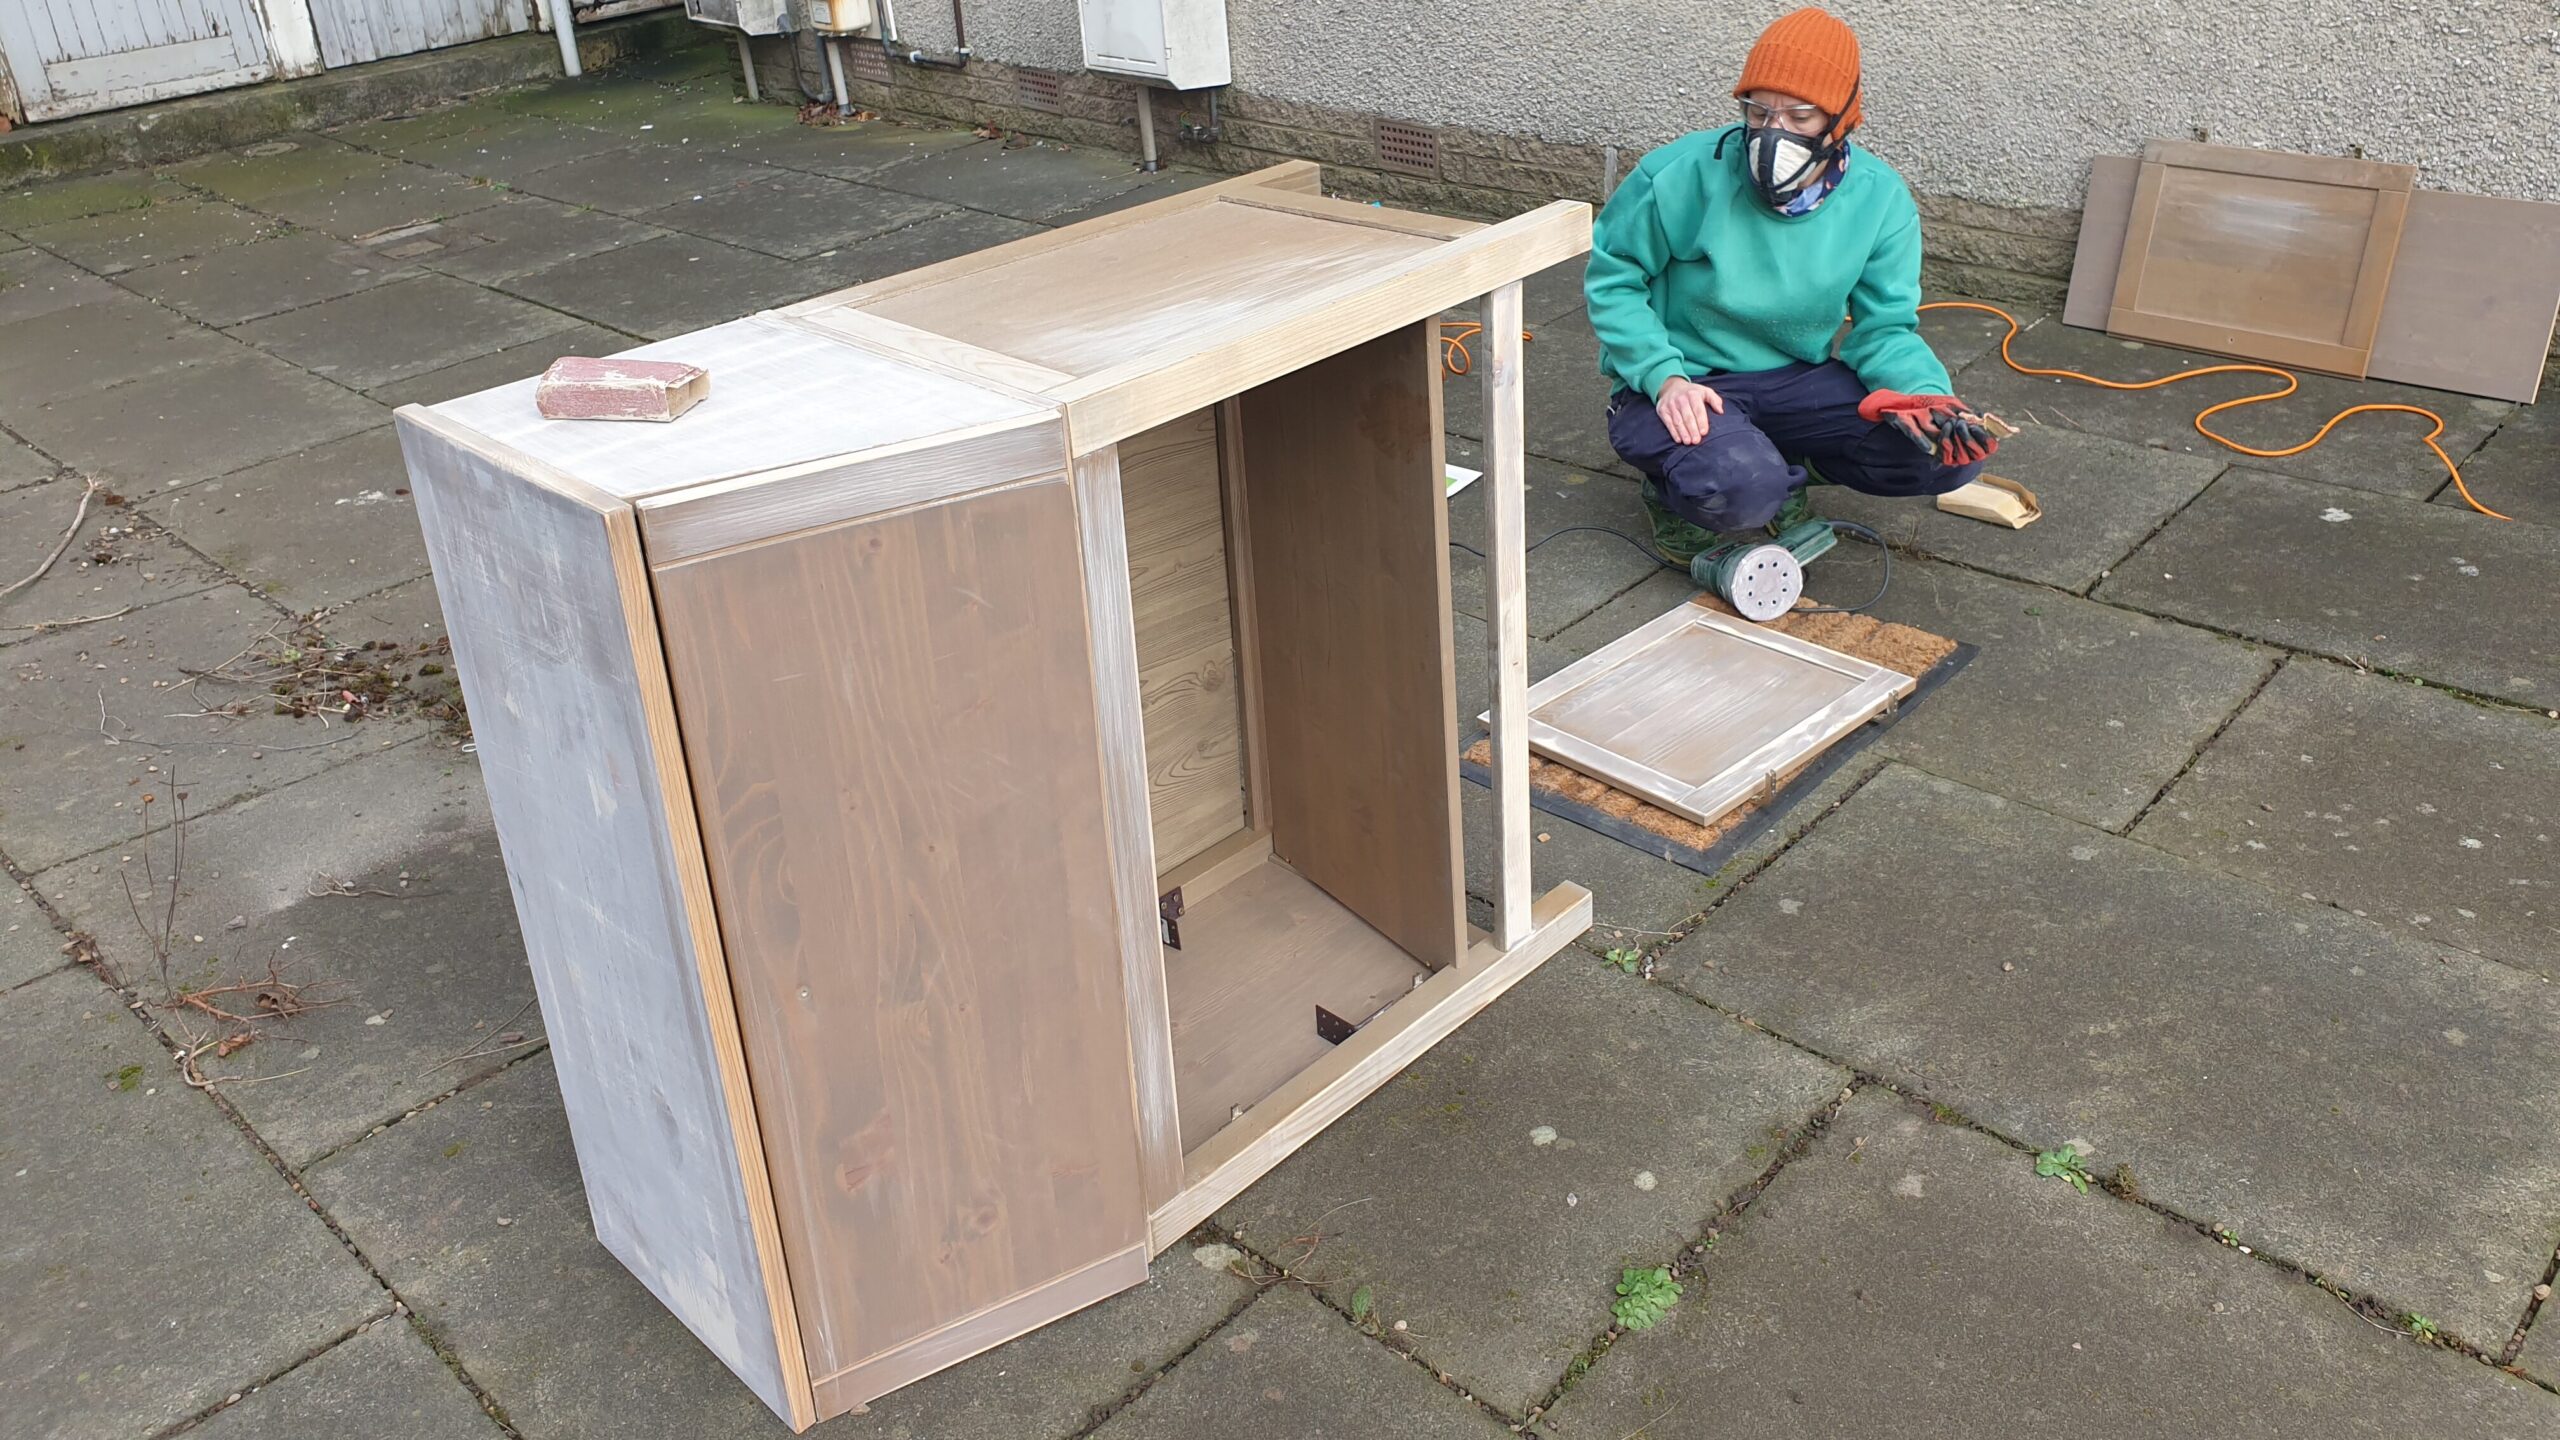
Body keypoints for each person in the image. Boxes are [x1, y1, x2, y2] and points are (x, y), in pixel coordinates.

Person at [1585, 6, 2000, 563]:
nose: (1773, 133)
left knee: (1942, 452)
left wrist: (1925, 392)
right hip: (1688, 379)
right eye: (1758, 112)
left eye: (1801, 116)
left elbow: (1886, 329)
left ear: (1844, 119)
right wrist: (1662, 379)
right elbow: (1613, 281)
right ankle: (1682, 489)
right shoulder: (1677, 175)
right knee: (1736, 489)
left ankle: (1782, 473)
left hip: (1795, 379)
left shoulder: (1880, 200)